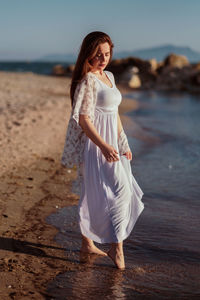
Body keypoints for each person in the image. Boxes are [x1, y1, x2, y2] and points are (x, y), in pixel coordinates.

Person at [61, 31, 144, 269]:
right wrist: (104, 145)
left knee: (102, 191)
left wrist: (123, 143)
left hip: (113, 144)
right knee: (118, 192)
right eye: (98, 54)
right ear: (88, 54)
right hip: (97, 145)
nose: (103, 59)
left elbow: (114, 114)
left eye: (107, 54)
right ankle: (116, 249)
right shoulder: (88, 80)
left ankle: (88, 244)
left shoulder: (108, 76)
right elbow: (84, 119)